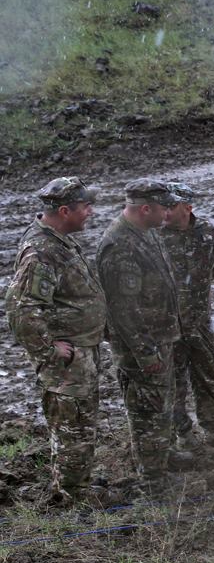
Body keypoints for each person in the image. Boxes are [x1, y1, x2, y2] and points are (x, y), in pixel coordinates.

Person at [5, 177, 107, 503]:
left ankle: (76, 485)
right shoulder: (42, 251)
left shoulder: (59, 240)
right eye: (85, 207)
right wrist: (49, 349)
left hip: (80, 352)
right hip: (67, 361)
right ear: (64, 210)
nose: (91, 212)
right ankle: (70, 500)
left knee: (80, 422)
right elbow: (22, 310)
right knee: (72, 427)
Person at [97, 179, 194, 481]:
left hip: (159, 338)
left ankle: (162, 456)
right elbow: (122, 310)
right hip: (141, 348)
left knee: (161, 404)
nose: (168, 212)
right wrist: (145, 351)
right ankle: (152, 478)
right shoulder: (120, 246)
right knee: (146, 411)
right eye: (164, 206)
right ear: (145, 208)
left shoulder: (145, 232)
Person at [158, 183, 214, 450]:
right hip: (168, 325)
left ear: (188, 207)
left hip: (200, 322)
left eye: (171, 206)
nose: (165, 212)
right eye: (163, 206)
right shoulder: (154, 238)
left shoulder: (207, 234)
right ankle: (183, 435)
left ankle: (212, 430)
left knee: (207, 376)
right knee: (174, 382)